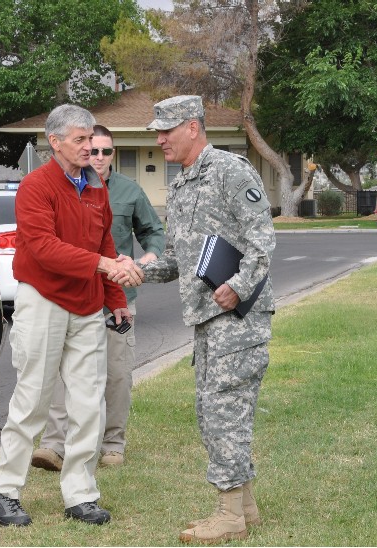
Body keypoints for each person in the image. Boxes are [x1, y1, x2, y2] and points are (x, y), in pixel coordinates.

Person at [113, 95, 275, 544]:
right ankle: (246, 506)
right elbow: (181, 260)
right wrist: (139, 269)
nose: (159, 139)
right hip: (207, 319)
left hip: (237, 318)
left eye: (166, 130)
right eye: (157, 131)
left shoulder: (230, 171)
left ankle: (229, 515)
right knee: (214, 412)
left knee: (225, 412)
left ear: (193, 127)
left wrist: (238, 286)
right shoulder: (183, 182)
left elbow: (263, 242)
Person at [0, 104, 142, 527]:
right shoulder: (36, 186)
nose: (89, 146)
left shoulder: (96, 187)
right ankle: (3, 492)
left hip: (88, 304)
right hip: (44, 299)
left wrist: (116, 300)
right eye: (80, 139)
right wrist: (104, 267)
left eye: (91, 138)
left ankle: (81, 494)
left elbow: (105, 242)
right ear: (54, 143)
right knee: (33, 399)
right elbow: (42, 247)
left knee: (88, 403)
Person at [31, 124, 165, 471]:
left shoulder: (128, 191)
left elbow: (153, 232)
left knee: (117, 372)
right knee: (68, 373)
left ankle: (112, 444)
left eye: (106, 151)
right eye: (93, 148)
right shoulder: (66, 187)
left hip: (117, 295)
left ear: (113, 153)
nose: (99, 156)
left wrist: (150, 255)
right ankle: (54, 445)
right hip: (74, 293)